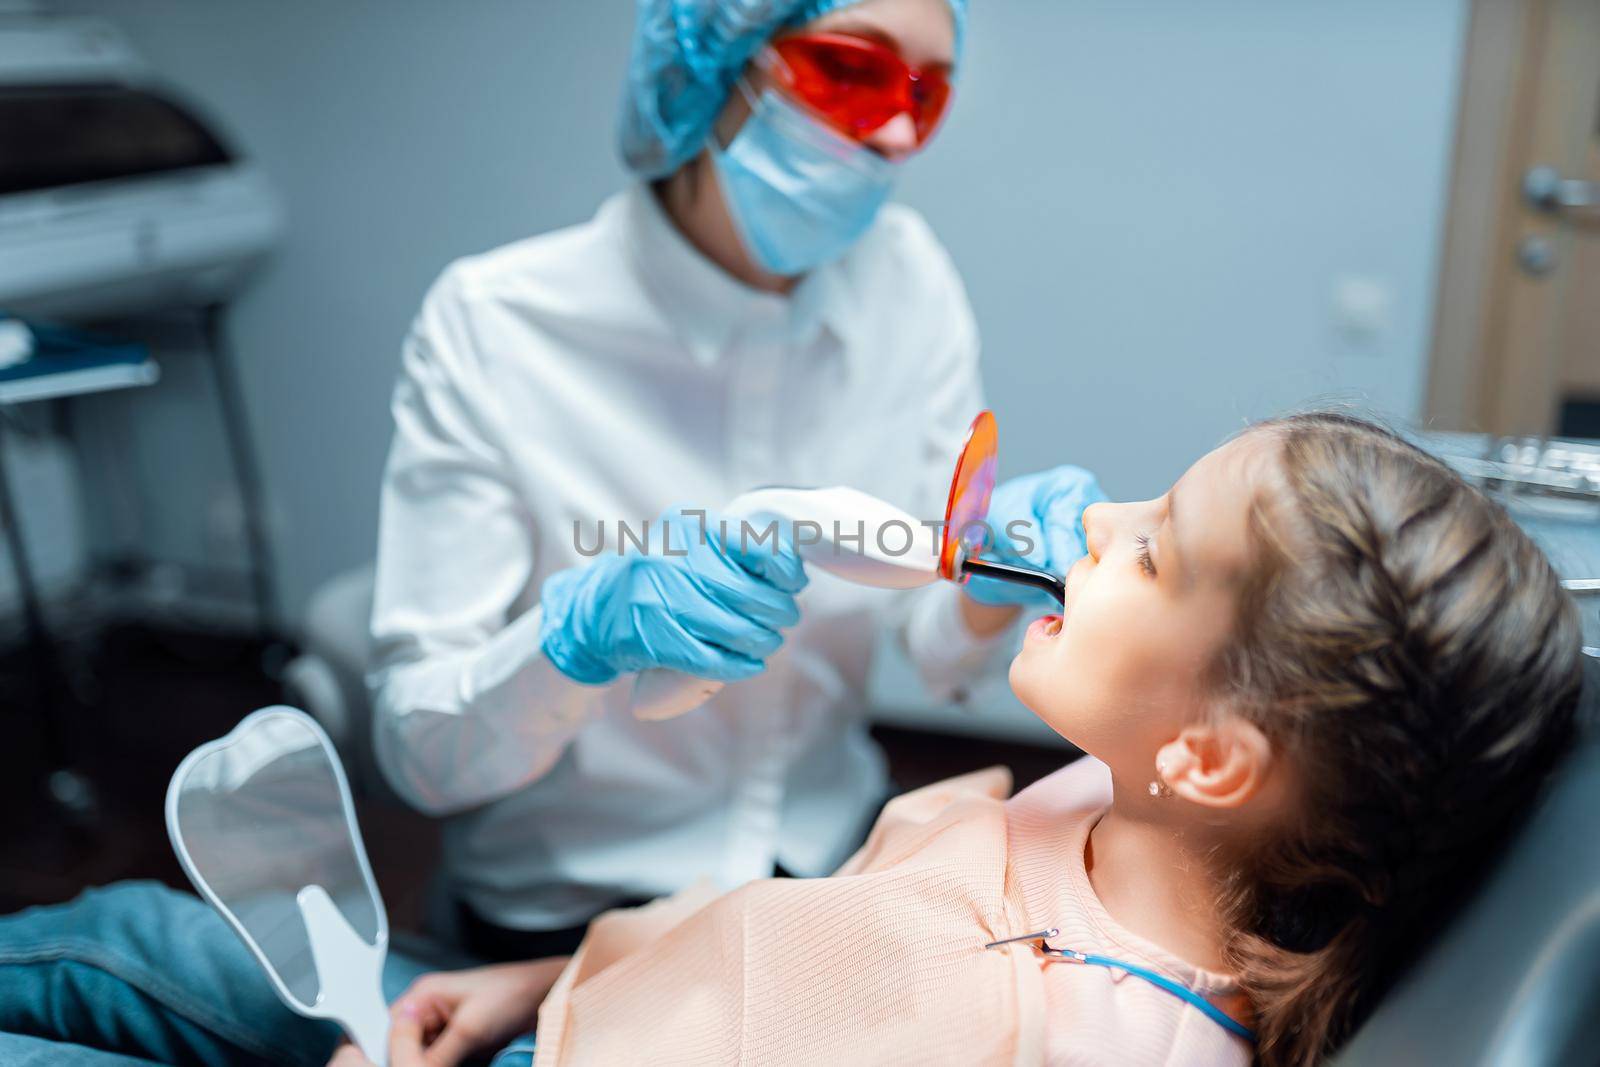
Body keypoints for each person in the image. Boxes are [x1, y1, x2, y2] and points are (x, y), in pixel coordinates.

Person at [0, 412, 1583, 1067]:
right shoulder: (1137, 806)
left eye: (1153, 546)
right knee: (146, 939)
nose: (1089, 519)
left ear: (1223, 757)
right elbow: (810, 939)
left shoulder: (1077, 1028)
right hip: (544, 1018)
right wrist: (539, 985)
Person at [365, 0, 1103, 964]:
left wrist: (979, 577)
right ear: (716, 68)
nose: (891, 130)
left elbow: (927, 646)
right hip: (568, 910)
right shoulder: (496, 328)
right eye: (850, 70)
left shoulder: (907, 284)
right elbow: (422, 755)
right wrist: (571, 644)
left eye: (925, 95)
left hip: (827, 869)